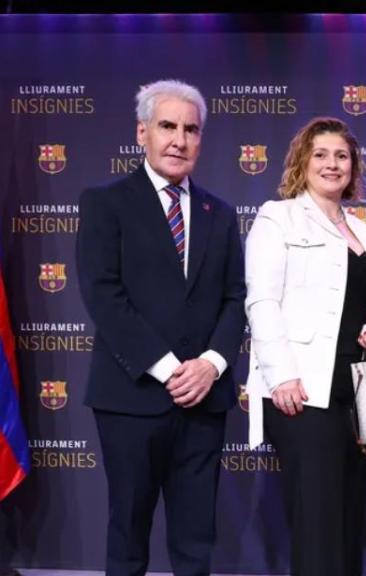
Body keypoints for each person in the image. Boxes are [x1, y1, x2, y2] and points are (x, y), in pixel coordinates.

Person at [76, 79, 245, 576]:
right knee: (128, 534)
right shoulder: (106, 202)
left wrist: (211, 365)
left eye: (191, 130)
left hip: (204, 400)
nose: (179, 140)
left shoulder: (221, 213)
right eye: (167, 126)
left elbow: (235, 299)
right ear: (142, 133)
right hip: (131, 397)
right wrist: (171, 369)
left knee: (196, 540)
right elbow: (103, 295)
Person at [245, 117, 366, 575]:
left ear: (354, 166)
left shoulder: (362, 231)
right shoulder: (278, 217)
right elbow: (262, 301)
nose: (332, 164)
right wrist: (282, 376)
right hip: (303, 392)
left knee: (347, 516)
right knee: (318, 521)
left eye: (341, 155)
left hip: (352, 392)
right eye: (321, 154)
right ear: (302, 162)